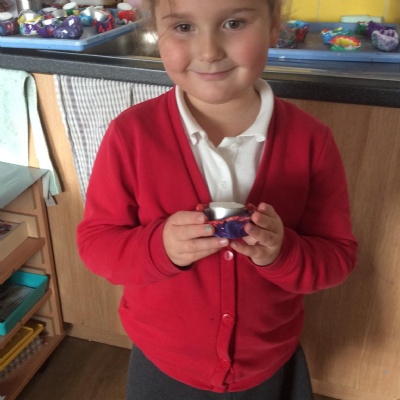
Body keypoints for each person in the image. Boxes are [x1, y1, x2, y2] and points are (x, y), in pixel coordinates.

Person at [77, 0, 358, 398]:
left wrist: (283, 252)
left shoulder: (312, 140)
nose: (209, 51)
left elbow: (337, 258)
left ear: (273, 26)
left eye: (234, 23)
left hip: (268, 362)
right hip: (163, 362)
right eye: (183, 27)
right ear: (156, 31)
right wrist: (160, 247)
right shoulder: (131, 135)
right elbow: (97, 244)